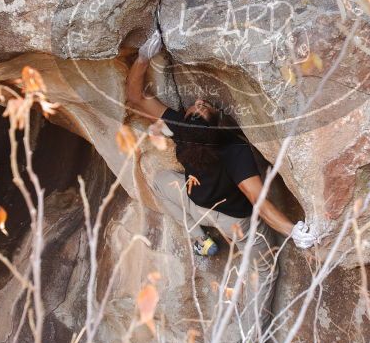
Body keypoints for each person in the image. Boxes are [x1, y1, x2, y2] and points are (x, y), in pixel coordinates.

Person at [125, 29, 319, 257]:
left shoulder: (183, 129)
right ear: (217, 121)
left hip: (197, 205)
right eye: (202, 108)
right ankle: (208, 241)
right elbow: (260, 203)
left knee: (161, 182)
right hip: (233, 222)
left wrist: (143, 58)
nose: (198, 101)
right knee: (265, 271)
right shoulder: (235, 151)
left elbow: (135, 98)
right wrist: (293, 230)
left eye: (197, 108)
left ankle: (200, 239)